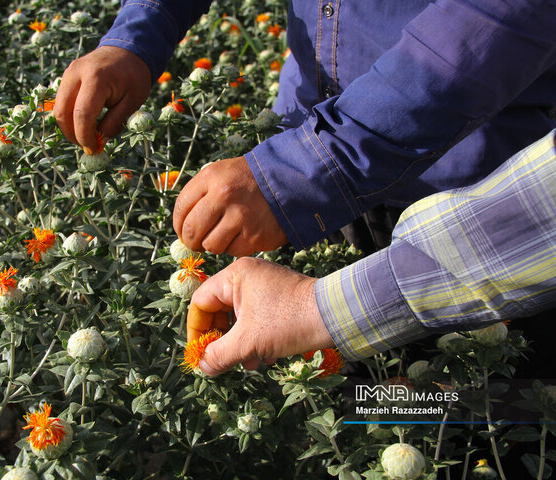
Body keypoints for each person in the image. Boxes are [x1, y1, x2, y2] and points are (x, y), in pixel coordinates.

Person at [55, 0, 556, 258]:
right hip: (301, 167)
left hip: (483, 196)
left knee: (474, 423)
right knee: (347, 411)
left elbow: (495, 21)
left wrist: (306, 169)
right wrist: (138, 34)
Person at [187, 129, 556, 375]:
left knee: (492, 404)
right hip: (335, 189)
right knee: (373, 398)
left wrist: (313, 304)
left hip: (470, 183)